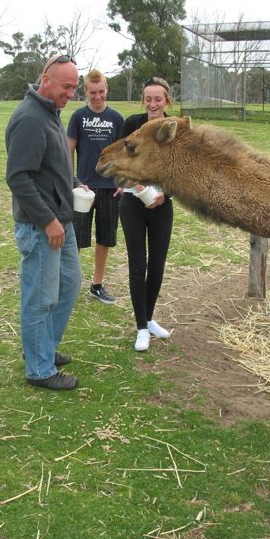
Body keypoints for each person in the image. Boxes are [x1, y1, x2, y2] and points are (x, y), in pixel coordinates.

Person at [5, 53, 82, 391]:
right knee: (40, 297)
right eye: (66, 86)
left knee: (68, 286)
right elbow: (19, 178)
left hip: (60, 221)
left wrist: (75, 184)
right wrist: (49, 220)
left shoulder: (50, 112)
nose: (71, 93)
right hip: (42, 226)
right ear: (45, 81)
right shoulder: (30, 119)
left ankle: (43, 348)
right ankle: (39, 369)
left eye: (74, 87)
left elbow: (50, 167)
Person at [119, 77, 174, 352]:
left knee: (157, 266)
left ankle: (149, 318)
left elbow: (180, 170)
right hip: (132, 203)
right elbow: (120, 160)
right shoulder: (131, 124)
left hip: (162, 206)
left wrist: (166, 194)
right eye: (148, 98)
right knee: (137, 265)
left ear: (167, 101)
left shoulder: (174, 129)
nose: (152, 104)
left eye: (158, 99)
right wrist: (137, 185)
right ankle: (141, 327)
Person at [67, 69, 124, 304]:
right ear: (86, 91)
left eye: (101, 92)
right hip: (84, 189)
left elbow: (124, 153)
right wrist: (72, 180)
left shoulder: (117, 119)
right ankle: (70, 284)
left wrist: (122, 180)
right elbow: (67, 149)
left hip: (110, 188)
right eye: (93, 93)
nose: (98, 97)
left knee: (105, 237)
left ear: (106, 89)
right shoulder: (78, 117)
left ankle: (97, 284)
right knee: (76, 238)